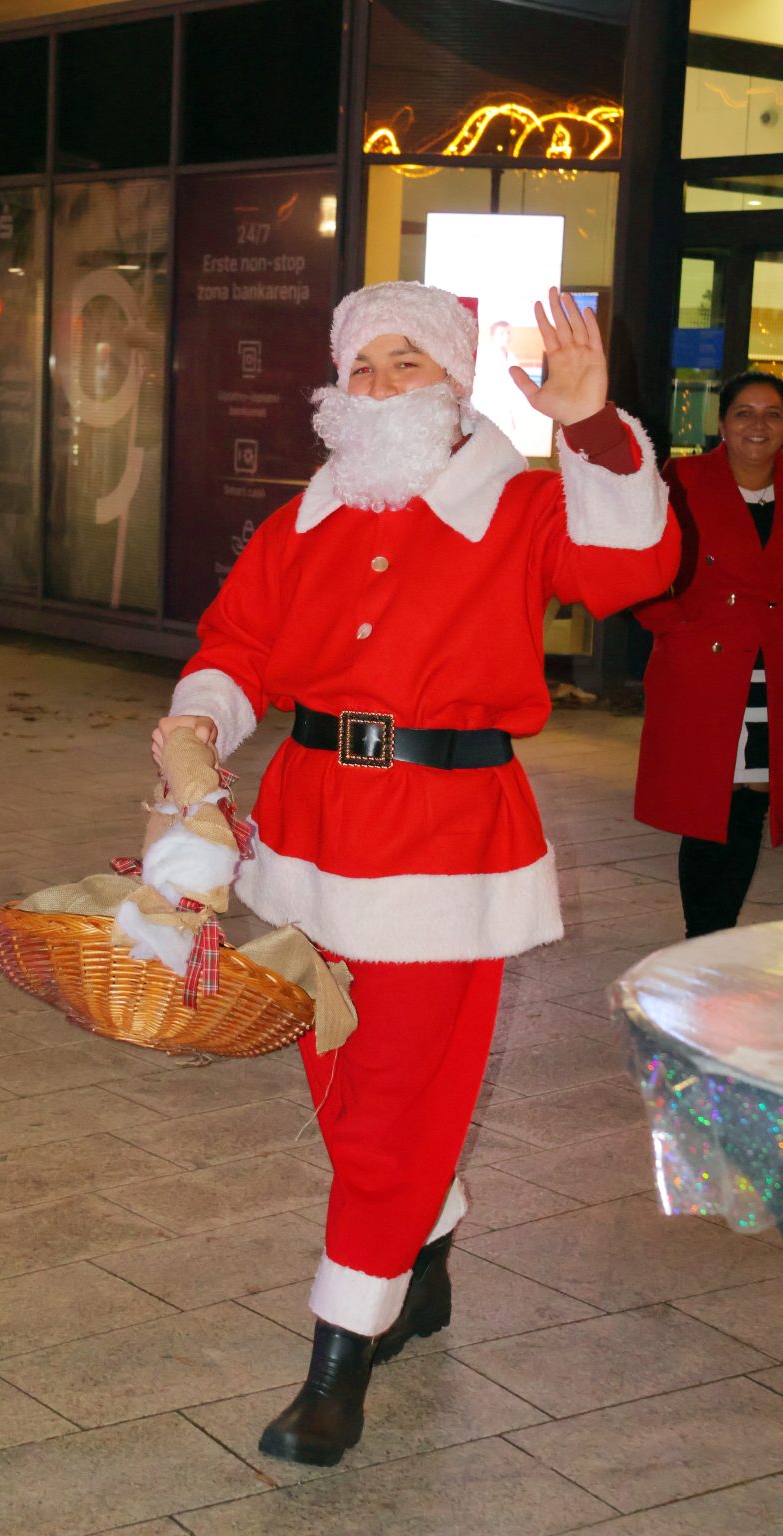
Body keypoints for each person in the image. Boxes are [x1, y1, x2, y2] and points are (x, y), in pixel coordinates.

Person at [151, 281, 679, 1466]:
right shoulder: (304, 521)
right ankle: (421, 1249)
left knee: (389, 1105)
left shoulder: (521, 505)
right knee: (342, 1085)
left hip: (443, 843)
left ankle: (339, 1356)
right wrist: (198, 726)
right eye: (364, 365)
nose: (382, 385)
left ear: (454, 382)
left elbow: (627, 568)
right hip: (307, 837)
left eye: (409, 362)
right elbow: (236, 648)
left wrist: (592, 427)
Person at [635, 370, 782, 937]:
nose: (757, 425)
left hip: (773, 667)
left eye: (772, 414)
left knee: (752, 802)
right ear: (722, 423)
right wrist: (672, 627)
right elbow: (640, 561)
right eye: (744, 412)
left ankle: (715, 938)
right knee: (709, 807)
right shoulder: (686, 478)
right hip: (709, 667)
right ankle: (703, 937)